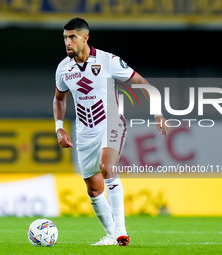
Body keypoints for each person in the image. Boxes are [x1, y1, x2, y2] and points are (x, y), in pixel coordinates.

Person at [53, 17, 169, 246]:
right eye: (65, 37)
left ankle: (121, 231)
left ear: (85, 38)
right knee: (93, 188)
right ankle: (110, 235)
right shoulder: (63, 68)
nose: (67, 42)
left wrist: (158, 112)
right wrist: (59, 128)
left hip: (111, 123)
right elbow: (59, 99)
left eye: (72, 37)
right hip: (84, 132)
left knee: (107, 167)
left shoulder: (108, 60)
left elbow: (141, 82)